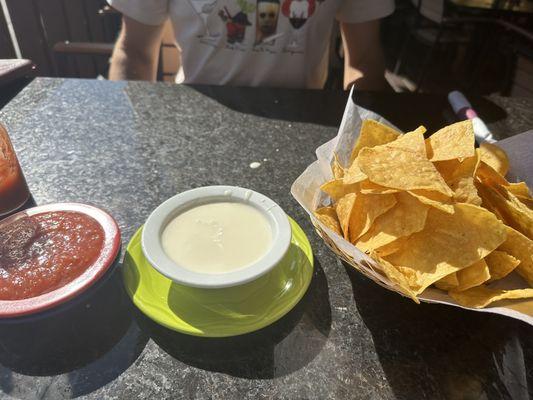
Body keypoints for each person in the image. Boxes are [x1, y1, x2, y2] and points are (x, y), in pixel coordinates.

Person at [108, 0, 394, 90]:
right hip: (195, 114)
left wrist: (357, 141)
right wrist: (130, 143)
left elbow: (365, 60)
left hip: (305, 118)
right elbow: (134, 53)